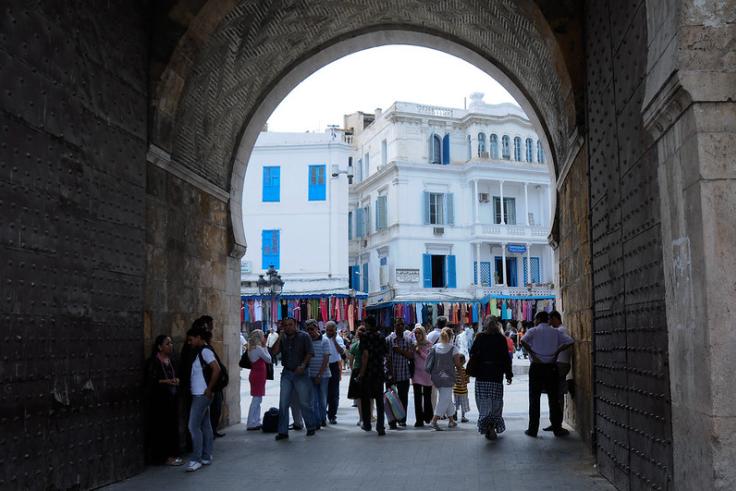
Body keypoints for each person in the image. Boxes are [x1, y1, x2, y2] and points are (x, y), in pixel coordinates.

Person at [521, 311, 574, 438]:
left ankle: (533, 429)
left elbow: (523, 341)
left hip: (537, 367)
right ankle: (557, 428)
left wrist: (533, 354)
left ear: (538, 319)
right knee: (554, 399)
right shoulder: (555, 332)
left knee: (534, 399)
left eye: (535, 319)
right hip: (551, 367)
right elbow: (570, 341)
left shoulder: (533, 331)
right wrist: (557, 351)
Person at [271, 317, 317, 440]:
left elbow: (310, 352)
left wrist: (303, 365)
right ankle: (282, 431)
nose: (288, 327)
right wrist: (279, 337)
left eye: (290, 325)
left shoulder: (304, 336)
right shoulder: (283, 338)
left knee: (304, 402)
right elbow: (274, 352)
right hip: (287, 373)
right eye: (285, 325)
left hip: (301, 373)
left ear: (295, 325)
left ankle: (311, 426)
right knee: (283, 402)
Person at [185, 322, 221, 472]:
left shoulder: (205, 351)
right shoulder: (200, 351)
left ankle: (196, 459)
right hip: (199, 393)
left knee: (193, 426)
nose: (189, 343)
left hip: (202, 394)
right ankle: (206, 456)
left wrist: (209, 388)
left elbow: (216, 369)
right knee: (205, 425)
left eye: (191, 339)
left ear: (198, 337)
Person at [469, 316, 513, 440]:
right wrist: (508, 374)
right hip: (496, 375)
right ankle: (492, 425)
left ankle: (487, 424)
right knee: (496, 402)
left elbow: (472, 352)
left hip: (482, 374)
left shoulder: (480, 337)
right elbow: (506, 358)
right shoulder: (501, 339)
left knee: (483, 401)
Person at [144, 335, 182, 466]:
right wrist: (167, 381)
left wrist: (176, 380)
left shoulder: (172, 360)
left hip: (171, 399)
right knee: (161, 429)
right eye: (167, 343)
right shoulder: (153, 362)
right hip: (159, 402)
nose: (170, 345)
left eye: (171, 343)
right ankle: (163, 457)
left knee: (172, 427)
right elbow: (150, 381)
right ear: (159, 347)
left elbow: (178, 375)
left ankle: (173, 454)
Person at [356, 316, 387, 436]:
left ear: (367, 324)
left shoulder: (365, 336)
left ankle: (367, 424)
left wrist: (361, 373)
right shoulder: (381, 336)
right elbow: (385, 353)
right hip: (378, 371)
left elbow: (365, 355)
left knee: (366, 398)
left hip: (368, 371)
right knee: (379, 400)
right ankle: (380, 426)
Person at [427, 327, 462, 431]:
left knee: (446, 398)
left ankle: (451, 420)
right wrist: (462, 375)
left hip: (436, 377)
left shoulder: (435, 347)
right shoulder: (453, 348)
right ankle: (434, 420)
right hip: (447, 377)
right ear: (451, 336)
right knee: (444, 399)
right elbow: (458, 364)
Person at [544, 310, 573, 431]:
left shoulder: (559, 331)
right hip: (561, 364)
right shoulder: (561, 330)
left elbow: (570, 341)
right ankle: (556, 422)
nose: (549, 322)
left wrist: (555, 352)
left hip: (560, 364)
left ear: (555, 318)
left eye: (550, 319)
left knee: (556, 395)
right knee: (556, 394)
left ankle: (557, 423)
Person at [199, 315, 225, 439]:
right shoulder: (203, 349)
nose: (212, 327)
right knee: (211, 409)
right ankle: (208, 434)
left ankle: (212, 430)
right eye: (210, 324)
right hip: (210, 382)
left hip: (214, 383)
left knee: (216, 408)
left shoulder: (207, 347)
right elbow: (215, 367)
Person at [385, 318, 414, 429]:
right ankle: (392, 421)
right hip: (391, 374)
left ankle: (402, 419)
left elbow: (411, 356)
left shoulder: (408, 340)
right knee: (390, 399)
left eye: (402, 324)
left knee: (403, 398)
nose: (400, 326)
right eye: (398, 324)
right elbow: (385, 357)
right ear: (394, 326)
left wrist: (400, 351)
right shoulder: (388, 340)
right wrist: (389, 372)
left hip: (404, 373)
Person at [246, 329, 272, 431]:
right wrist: (265, 346)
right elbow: (269, 359)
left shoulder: (251, 348)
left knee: (257, 399)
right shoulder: (258, 348)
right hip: (258, 376)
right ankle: (251, 422)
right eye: (262, 335)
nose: (264, 338)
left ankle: (255, 421)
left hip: (256, 375)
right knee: (256, 400)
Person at [306, 320, 331, 428]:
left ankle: (322, 418)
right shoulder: (307, 341)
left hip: (323, 375)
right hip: (311, 374)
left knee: (322, 398)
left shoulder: (324, 340)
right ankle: (317, 421)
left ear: (317, 328)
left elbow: (326, 359)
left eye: (312, 329)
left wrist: (319, 375)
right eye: (308, 330)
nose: (310, 331)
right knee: (313, 399)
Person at [323, 321, 346, 424]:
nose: (329, 332)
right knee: (324, 392)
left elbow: (341, 352)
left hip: (334, 366)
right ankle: (323, 414)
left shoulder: (338, 339)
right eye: (327, 330)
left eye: (331, 330)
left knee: (334, 393)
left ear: (335, 330)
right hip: (324, 366)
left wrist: (334, 340)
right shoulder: (322, 338)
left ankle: (332, 415)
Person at [411, 325, 433, 427]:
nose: (417, 335)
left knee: (427, 397)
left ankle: (428, 416)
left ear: (423, 334)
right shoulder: (414, 344)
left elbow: (429, 358)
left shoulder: (429, 344)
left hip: (427, 374)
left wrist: (419, 351)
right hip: (416, 374)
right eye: (416, 333)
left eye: (419, 333)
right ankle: (419, 420)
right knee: (417, 398)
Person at [347, 326, 367, 425]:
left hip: (357, 370)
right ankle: (369, 416)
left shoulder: (354, 345)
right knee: (368, 396)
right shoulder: (369, 345)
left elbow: (350, 361)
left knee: (358, 396)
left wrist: (353, 369)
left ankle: (361, 418)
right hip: (368, 370)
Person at [453, 354, 470, 423]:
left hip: (455, 390)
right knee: (463, 404)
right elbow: (467, 381)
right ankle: (463, 417)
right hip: (463, 391)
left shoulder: (454, 370)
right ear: (464, 362)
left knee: (456, 403)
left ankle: (455, 413)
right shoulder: (465, 371)